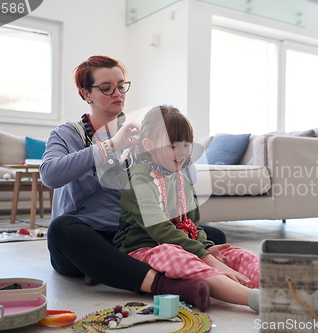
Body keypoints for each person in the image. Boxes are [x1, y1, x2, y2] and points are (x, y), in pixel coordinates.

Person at [40, 55, 225, 310]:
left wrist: (170, 149)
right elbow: (49, 175)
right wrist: (111, 146)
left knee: (212, 234)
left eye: (121, 85)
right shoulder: (68, 134)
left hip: (129, 237)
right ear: (86, 93)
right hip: (85, 236)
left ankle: (109, 268)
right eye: (106, 88)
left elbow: (185, 180)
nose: (117, 93)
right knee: (62, 229)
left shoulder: (139, 135)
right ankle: (166, 285)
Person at [114, 106, 260, 312]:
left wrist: (207, 249)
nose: (182, 152)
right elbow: (160, 230)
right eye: (173, 145)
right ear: (148, 145)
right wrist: (206, 258)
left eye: (186, 144)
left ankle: (277, 287)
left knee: (236, 254)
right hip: (142, 249)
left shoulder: (181, 179)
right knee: (175, 254)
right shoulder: (139, 180)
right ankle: (254, 299)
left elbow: (192, 225)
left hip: (182, 244)